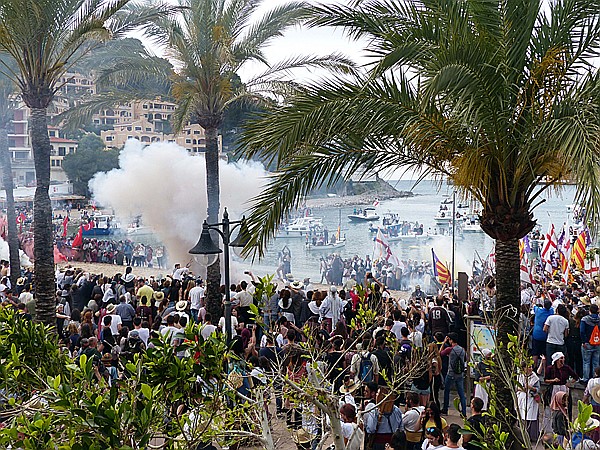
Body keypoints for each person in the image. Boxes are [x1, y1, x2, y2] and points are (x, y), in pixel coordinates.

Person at [440, 332, 467, 416]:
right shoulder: (462, 349)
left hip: (451, 373)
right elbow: (464, 359)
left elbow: (440, 353)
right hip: (460, 374)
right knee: (461, 393)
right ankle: (464, 412)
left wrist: (444, 342)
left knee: (447, 391)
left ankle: (445, 409)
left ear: (451, 340)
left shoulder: (450, 349)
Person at [517, 363, 541, 442]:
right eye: (528, 367)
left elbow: (537, 389)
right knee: (521, 416)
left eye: (531, 367)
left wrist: (531, 388)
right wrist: (523, 389)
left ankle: (531, 437)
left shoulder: (535, 378)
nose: (530, 369)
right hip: (522, 398)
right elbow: (517, 387)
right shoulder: (520, 376)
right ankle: (521, 436)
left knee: (531, 418)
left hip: (531, 399)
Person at [581, 304, 600, 382]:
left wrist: (584, 341)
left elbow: (582, 331)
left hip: (587, 343)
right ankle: (596, 378)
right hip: (598, 343)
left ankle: (586, 379)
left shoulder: (585, 319)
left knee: (586, 362)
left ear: (590, 311)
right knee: (596, 362)